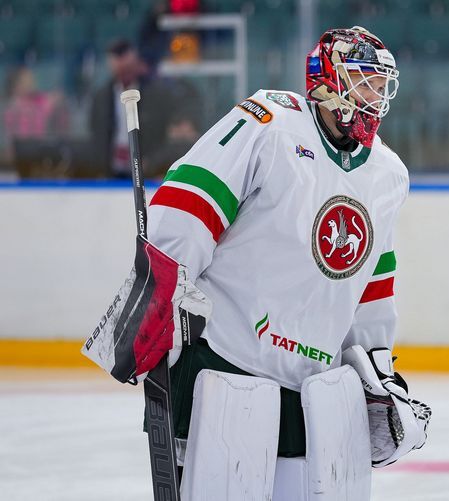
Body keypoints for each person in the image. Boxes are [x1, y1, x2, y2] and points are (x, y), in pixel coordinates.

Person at [84, 26, 430, 499]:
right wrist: (155, 298)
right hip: (223, 366)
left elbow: (372, 282)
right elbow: (191, 203)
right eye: (362, 80)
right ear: (327, 78)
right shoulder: (270, 121)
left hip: (312, 390)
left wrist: (376, 365)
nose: (373, 96)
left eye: (380, 84)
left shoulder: (388, 174)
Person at [89, 39, 199, 178]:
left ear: (137, 64)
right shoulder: (102, 97)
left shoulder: (156, 95)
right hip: (112, 171)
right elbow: (97, 133)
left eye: (128, 69)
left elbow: (169, 134)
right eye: (120, 70)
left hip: (147, 170)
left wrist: (152, 161)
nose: (124, 74)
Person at [3, 67, 68, 166]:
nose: (31, 83)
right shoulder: (13, 104)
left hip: (36, 148)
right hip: (18, 150)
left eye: (31, 80)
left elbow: (49, 102)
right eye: (26, 81)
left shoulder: (37, 100)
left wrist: (55, 99)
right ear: (15, 86)